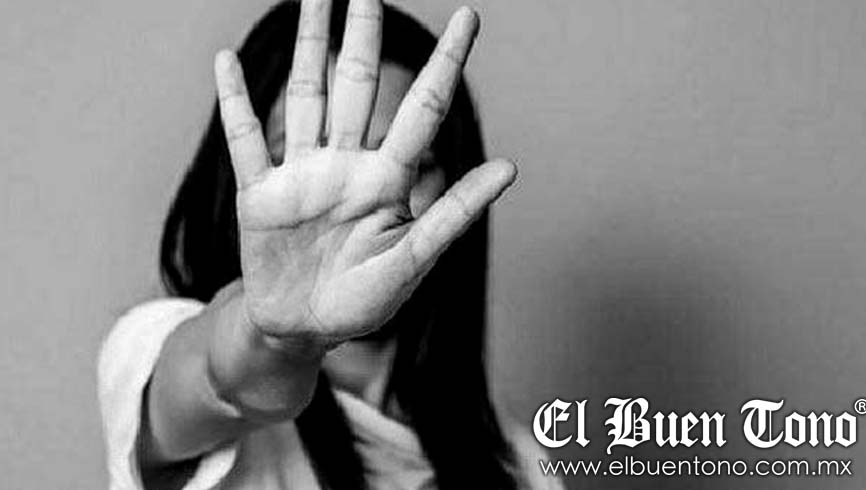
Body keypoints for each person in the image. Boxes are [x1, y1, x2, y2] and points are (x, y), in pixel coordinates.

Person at [98, 0, 562, 488]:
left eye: (409, 167)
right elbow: (215, 376)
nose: (356, 207)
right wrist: (279, 339)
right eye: (302, 165)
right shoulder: (153, 346)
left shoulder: (521, 463)